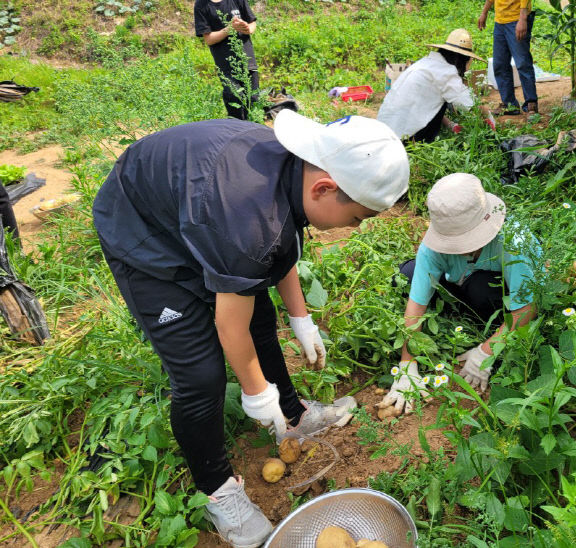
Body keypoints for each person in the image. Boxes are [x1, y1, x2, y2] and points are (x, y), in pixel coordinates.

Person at [92, 110, 409, 548]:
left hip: (199, 210)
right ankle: (217, 488)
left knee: (260, 312)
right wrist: (257, 392)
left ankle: (294, 415)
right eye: (357, 218)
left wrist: (300, 316)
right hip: (145, 232)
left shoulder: (294, 170)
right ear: (325, 188)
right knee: (200, 375)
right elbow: (231, 319)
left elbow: (278, 246)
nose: (353, 228)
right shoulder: (247, 217)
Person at [377, 173, 540, 415]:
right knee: (408, 274)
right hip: (459, 285)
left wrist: (486, 351)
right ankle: (464, 313)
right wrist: (407, 363)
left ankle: (487, 326)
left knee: (481, 287)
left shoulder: (514, 241)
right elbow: (416, 303)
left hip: (496, 298)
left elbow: (528, 307)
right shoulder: (433, 248)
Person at [377, 29, 492, 143]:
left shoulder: (426, 63)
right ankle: (419, 142)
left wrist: (451, 125)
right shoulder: (446, 72)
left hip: (385, 129)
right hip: (403, 136)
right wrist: (490, 119)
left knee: (442, 98)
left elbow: (429, 105)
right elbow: (470, 104)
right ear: (462, 60)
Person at [194, 0, 260, 120]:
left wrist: (247, 28)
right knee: (235, 100)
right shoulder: (201, 5)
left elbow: (252, 22)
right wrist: (229, 29)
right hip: (226, 65)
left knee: (254, 100)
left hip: (247, 60)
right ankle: (237, 134)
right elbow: (208, 39)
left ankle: (256, 132)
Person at [477, 0, 538, 115]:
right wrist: (484, 12)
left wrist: (523, 18)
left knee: (522, 63)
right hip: (500, 21)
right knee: (500, 64)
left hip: (517, 19)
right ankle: (509, 104)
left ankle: (531, 105)